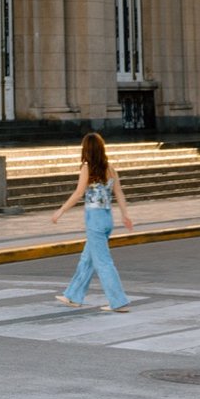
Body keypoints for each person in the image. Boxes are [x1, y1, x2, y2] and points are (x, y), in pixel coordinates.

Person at [51, 131, 134, 313]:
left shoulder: (87, 168)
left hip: (95, 219)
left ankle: (118, 301)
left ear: (87, 150)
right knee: (87, 259)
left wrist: (61, 211)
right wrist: (124, 215)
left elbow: (78, 193)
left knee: (103, 262)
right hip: (107, 218)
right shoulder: (110, 168)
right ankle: (73, 295)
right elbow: (119, 193)